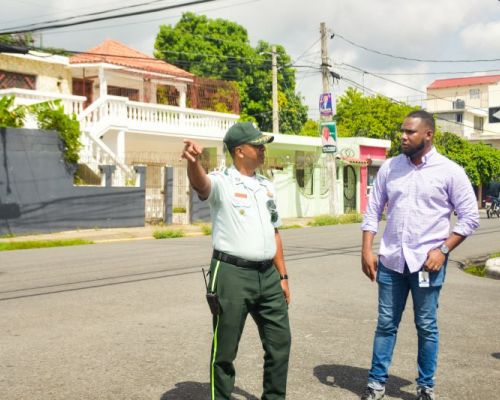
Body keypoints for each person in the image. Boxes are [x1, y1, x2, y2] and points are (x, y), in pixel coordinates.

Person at [360, 110, 480, 400]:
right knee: (386, 323)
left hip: (428, 264)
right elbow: (373, 209)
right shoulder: (390, 168)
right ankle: (376, 384)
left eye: (410, 132)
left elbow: (469, 217)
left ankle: (426, 386)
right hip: (390, 261)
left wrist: (443, 249)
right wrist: (366, 249)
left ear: (428, 135)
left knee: (426, 326)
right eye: (402, 131)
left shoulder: (450, 171)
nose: (403, 136)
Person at [181, 122, 291, 400]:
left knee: (280, 344)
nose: (263, 149)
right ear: (239, 151)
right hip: (231, 273)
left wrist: (283, 276)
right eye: (258, 145)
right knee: (225, 349)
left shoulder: (266, 186)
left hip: (268, 275)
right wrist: (194, 163)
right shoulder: (222, 182)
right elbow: (201, 184)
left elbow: (274, 232)